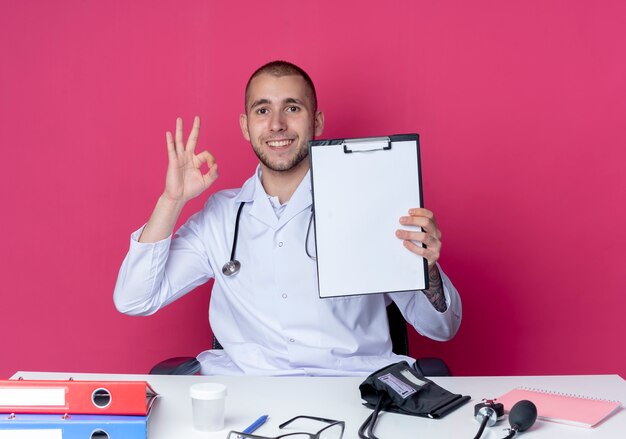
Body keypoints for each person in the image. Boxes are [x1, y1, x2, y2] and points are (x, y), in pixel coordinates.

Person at [114, 60, 461, 376]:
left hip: (352, 387)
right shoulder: (222, 216)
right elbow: (134, 298)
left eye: (292, 108)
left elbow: (441, 328)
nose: (277, 124)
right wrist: (171, 200)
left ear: (317, 121)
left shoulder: (370, 203)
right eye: (262, 110)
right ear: (246, 126)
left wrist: (427, 270)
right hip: (245, 391)